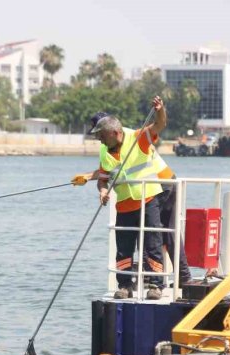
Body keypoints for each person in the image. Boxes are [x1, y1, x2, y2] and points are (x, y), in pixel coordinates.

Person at [71, 98, 190, 299]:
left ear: (114, 133)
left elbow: (159, 124)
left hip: (154, 193)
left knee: (154, 240)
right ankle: (125, 284)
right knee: (124, 247)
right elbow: (104, 176)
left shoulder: (138, 137)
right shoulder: (105, 150)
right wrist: (101, 190)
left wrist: (160, 110)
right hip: (124, 203)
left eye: (101, 135)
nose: (98, 139)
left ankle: (158, 284)